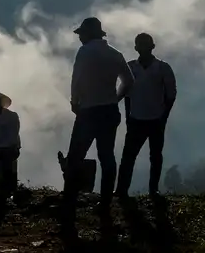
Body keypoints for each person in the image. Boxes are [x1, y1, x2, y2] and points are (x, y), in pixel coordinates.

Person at [62, 17, 134, 237]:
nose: (80, 38)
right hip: (110, 110)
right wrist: (116, 99)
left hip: (89, 111)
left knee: (75, 156)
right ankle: (104, 203)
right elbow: (129, 81)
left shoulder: (85, 52)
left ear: (87, 34)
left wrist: (75, 103)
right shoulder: (115, 54)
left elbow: (77, 79)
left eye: (81, 34)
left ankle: (69, 204)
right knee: (107, 156)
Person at [116, 33, 176, 198]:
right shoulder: (132, 68)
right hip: (138, 119)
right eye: (140, 45)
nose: (142, 48)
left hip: (155, 119)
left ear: (152, 47)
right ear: (136, 48)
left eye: (145, 44)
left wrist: (164, 117)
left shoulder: (162, 68)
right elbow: (127, 94)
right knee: (130, 156)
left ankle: (152, 189)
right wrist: (129, 116)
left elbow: (171, 95)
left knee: (153, 156)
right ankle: (122, 189)